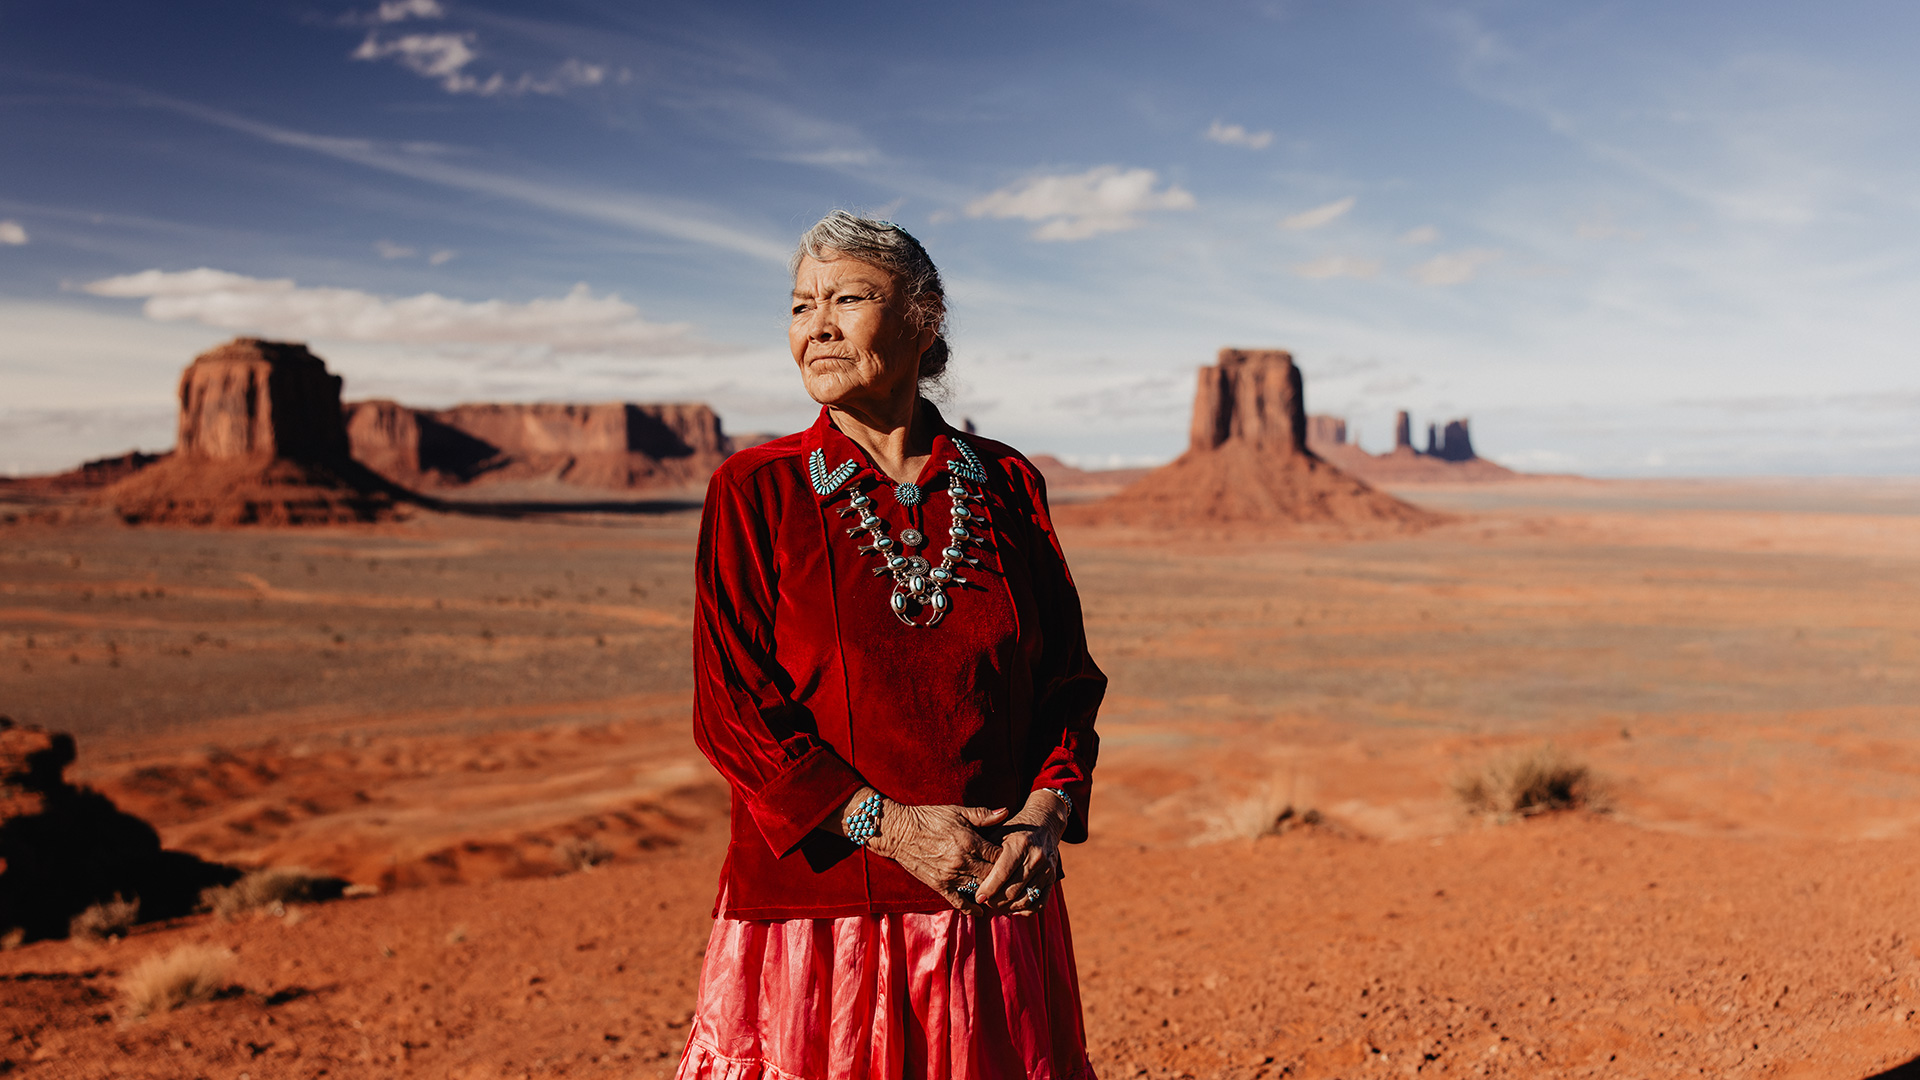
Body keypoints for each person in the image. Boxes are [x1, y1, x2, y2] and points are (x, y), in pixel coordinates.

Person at [676, 210, 1107, 1080]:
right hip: (818, 914)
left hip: (989, 898)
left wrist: (1045, 814)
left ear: (924, 318)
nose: (817, 326)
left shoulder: (1008, 482)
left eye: (849, 297)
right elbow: (733, 715)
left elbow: (1067, 682)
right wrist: (895, 828)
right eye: (801, 305)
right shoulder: (755, 491)